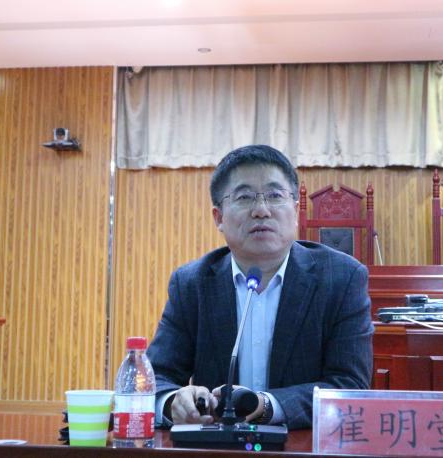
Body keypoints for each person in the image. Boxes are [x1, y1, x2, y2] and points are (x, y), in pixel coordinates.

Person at [147, 144, 373, 430]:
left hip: (302, 445)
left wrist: (266, 406)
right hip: (217, 446)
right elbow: (154, 380)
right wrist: (173, 402)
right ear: (219, 217)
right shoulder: (192, 283)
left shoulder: (341, 278)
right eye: (244, 197)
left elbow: (349, 385)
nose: (261, 210)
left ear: (295, 210)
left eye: (275, 196)